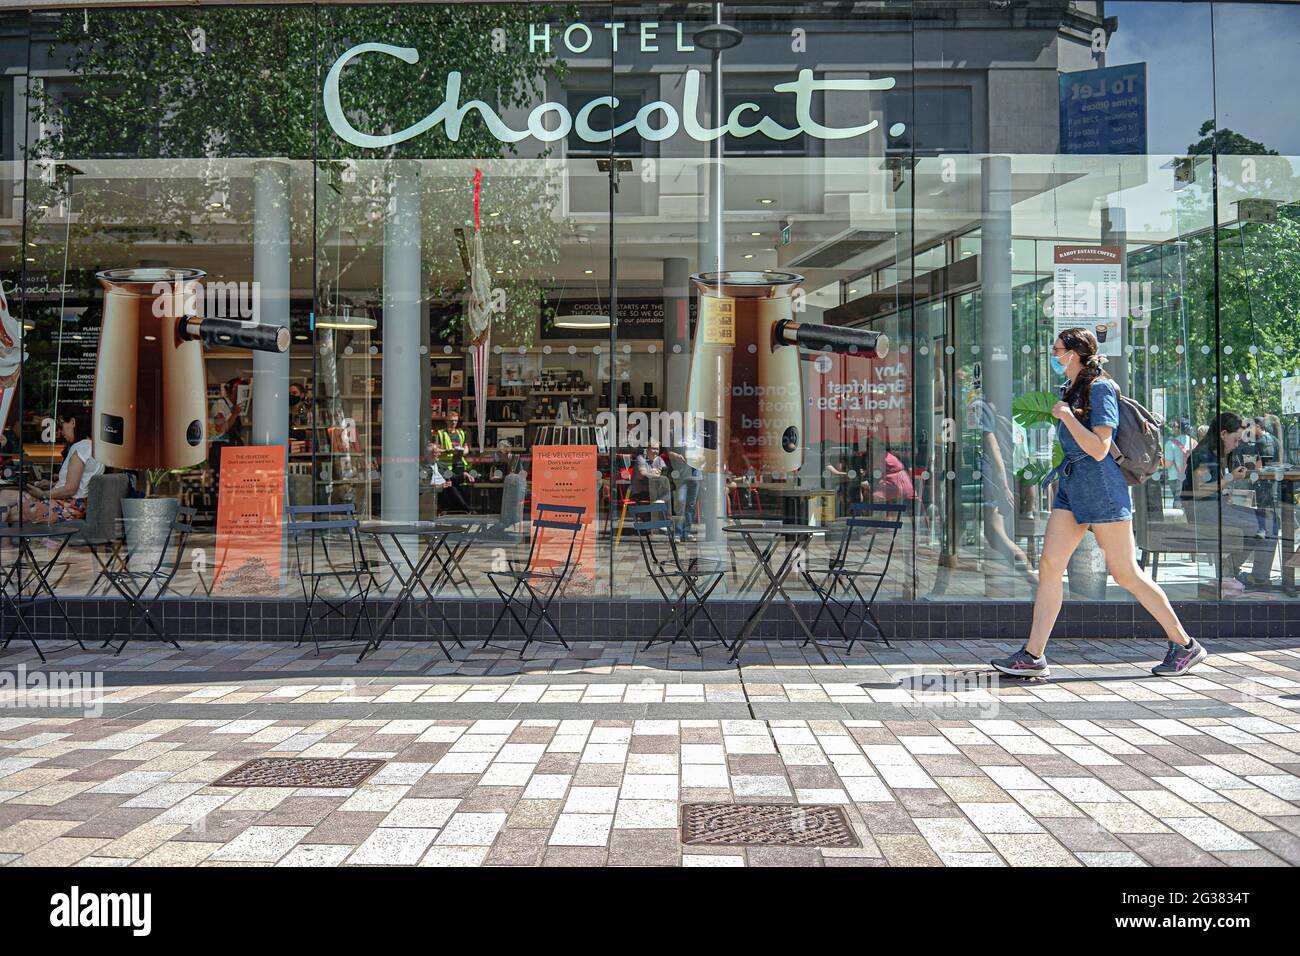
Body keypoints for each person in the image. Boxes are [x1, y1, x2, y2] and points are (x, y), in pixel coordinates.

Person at [991, 328, 1205, 679]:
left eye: (1057, 350)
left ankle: (1184, 645)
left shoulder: (1101, 388)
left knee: (1125, 573)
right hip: (1072, 487)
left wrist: (1067, 417)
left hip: (1103, 489)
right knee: (1049, 566)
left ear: (1074, 353)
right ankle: (1033, 655)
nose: (1054, 355)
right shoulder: (1071, 389)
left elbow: (1100, 447)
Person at [1182, 411, 1277, 594]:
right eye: (1235, 440)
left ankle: (1238, 570)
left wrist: (1224, 491)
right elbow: (1197, 490)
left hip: (1214, 507)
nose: (1237, 444)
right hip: (1205, 512)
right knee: (1267, 524)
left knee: (1269, 519)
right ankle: (1254, 576)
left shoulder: (1214, 453)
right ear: (1223, 434)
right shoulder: (1204, 455)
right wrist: (1230, 478)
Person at [0, 410, 103, 524]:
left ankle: (6, 542)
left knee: (7, 507)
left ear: (73, 422)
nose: (60, 431)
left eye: (61, 425)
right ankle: (6, 542)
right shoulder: (95, 447)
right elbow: (82, 484)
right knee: (5, 497)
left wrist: (43, 494)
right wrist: (52, 485)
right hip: (73, 505)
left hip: (66, 507)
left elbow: (70, 489)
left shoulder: (81, 447)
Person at [431, 409, 474, 512]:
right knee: (448, 489)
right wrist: (447, 451)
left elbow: (467, 448)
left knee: (459, 487)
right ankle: (450, 510)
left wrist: (460, 452)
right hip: (445, 465)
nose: (453, 423)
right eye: (451, 420)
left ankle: (461, 511)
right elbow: (435, 448)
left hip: (459, 464)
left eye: (455, 420)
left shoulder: (461, 433)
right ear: (446, 421)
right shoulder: (441, 434)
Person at [663, 436, 704, 541]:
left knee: (691, 505)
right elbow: (667, 452)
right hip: (681, 475)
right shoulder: (676, 434)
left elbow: (704, 456)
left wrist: (698, 458)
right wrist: (676, 456)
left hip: (695, 474)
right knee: (680, 502)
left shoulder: (699, 435)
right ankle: (678, 532)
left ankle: (687, 532)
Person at [1162, 418, 1193, 505]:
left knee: (1178, 502)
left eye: (1173, 426)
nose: (1172, 428)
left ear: (1178, 428)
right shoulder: (1194, 442)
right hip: (1192, 477)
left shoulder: (1170, 444)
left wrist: (1160, 460)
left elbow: (1167, 464)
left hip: (1176, 477)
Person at [632, 438, 670, 503]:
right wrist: (655, 473)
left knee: (671, 491)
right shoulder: (640, 458)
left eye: (657, 449)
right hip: (641, 493)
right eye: (653, 448)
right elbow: (642, 475)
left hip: (654, 492)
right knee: (664, 496)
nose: (655, 451)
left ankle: (663, 508)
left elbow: (665, 472)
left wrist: (652, 473)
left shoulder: (659, 459)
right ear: (647, 449)